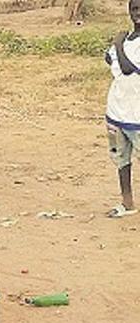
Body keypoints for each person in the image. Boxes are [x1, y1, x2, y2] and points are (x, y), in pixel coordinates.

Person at [104, 0, 140, 217]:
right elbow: (108, 59)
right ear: (129, 11)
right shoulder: (128, 38)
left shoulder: (123, 40)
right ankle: (127, 203)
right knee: (121, 160)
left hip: (138, 116)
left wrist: (118, 43)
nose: (138, 13)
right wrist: (118, 44)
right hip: (117, 112)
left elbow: (126, 68)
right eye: (135, 9)